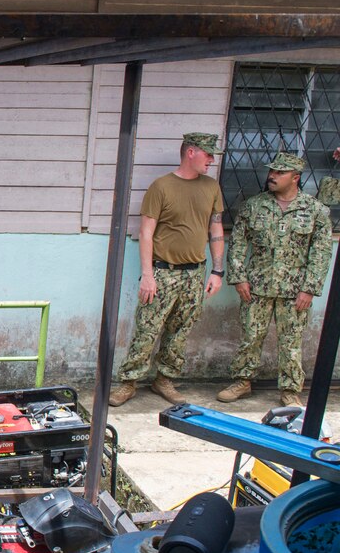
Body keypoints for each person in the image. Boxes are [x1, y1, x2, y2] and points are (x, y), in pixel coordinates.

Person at [109, 133, 226, 407]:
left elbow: (216, 229)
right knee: (148, 328)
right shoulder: (161, 187)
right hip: (164, 271)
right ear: (191, 153)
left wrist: (217, 271)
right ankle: (129, 382)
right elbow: (146, 232)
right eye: (207, 154)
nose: (211, 160)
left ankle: (164, 379)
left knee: (181, 329)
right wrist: (148, 275)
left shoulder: (212, 188)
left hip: (195, 272)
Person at [216, 153, 332, 407]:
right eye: (272, 171)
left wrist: (309, 289)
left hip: (294, 290)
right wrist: (239, 278)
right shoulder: (254, 206)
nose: (272, 176)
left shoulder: (315, 211)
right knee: (251, 337)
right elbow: (237, 243)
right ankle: (242, 381)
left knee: (291, 342)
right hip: (256, 286)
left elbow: (321, 253)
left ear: (295, 178)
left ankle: (290, 390)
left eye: (280, 173)